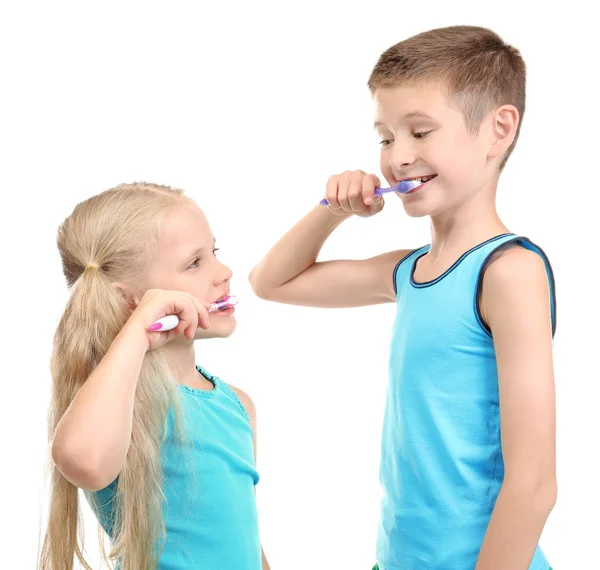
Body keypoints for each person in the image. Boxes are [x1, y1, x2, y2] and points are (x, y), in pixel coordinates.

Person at [250, 26, 556, 570]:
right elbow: (271, 282)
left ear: (498, 129)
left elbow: (533, 484)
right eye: (386, 137)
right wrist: (332, 208)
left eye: (421, 132)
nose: (398, 158)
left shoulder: (509, 272)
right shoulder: (406, 271)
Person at [40, 182, 270, 570]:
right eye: (194, 263)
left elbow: (247, 545)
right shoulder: (123, 408)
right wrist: (137, 333)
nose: (224, 272)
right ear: (132, 300)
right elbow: (84, 461)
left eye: (214, 252)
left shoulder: (237, 404)